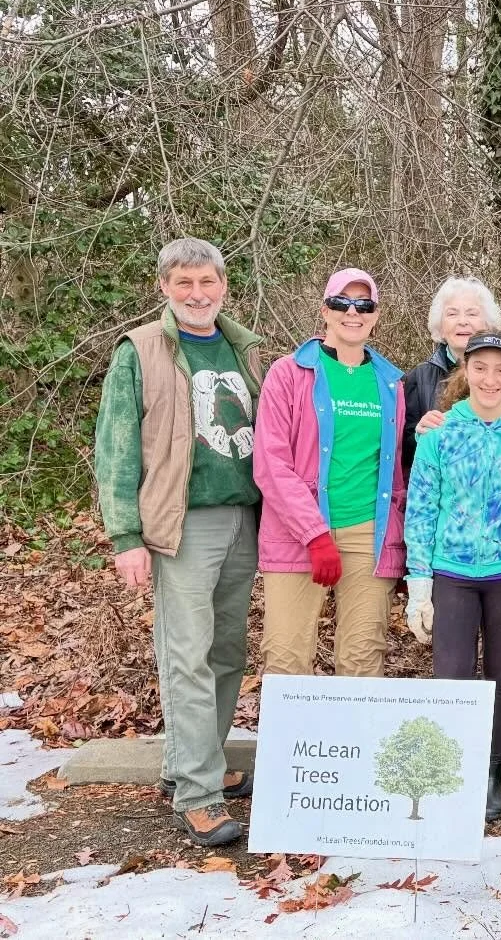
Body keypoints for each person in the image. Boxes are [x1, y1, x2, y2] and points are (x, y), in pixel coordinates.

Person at [95, 238, 263, 847]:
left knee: (227, 653)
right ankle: (198, 794)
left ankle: (195, 765)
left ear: (223, 285)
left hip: (243, 518)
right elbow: (115, 449)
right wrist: (125, 535)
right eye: (185, 283)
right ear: (165, 287)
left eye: (207, 282)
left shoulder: (242, 348)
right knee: (187, 656)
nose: (198, 294)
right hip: (183, 523)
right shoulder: (138, 351)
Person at [402, 276, 501, 754]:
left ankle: (492, 771)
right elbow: (421, 509)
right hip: (453, 572)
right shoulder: (439, 433)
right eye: (480, 368)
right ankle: (455, 772)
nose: (490, 379)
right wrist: (419, 585)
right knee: (452, 678)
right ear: (466, 370)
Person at [255, 268, 407, 678]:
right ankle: (292, 744)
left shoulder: (390, 383)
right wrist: (315, 534)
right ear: (325, 310)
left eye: (364, 305)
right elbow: (270, 464)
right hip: (298, 533)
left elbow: (393, 472)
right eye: (342, 302)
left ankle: (351, 745)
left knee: (362, 660)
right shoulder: (288, 374)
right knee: (286, 660)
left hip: (368, 535)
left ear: (376, 315)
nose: (352, 312)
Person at [401, 277, 501, 476]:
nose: (463, 321)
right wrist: (419, 434)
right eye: (452, 313)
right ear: (440, 326)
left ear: (487, 323)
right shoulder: (419, 377)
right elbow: (403, 453)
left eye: (472, 313)